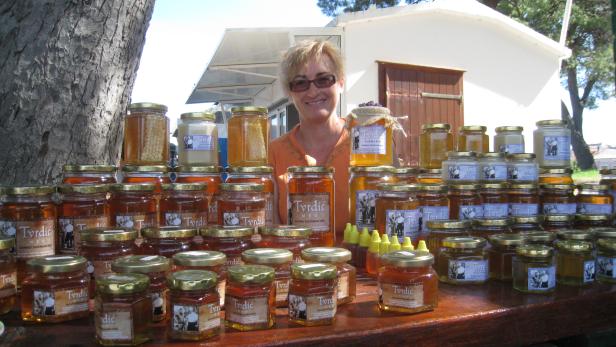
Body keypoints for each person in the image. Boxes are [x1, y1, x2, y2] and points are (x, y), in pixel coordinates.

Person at [268, 40, 350, 243]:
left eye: (323, 79)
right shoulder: (273, 153)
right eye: (300, 83)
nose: (313, 91)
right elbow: (271, 230)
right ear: (290, 92)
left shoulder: (368, 147)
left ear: (340, 82)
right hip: (295, 267)